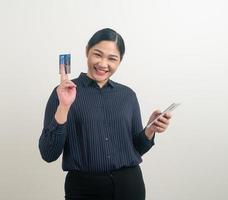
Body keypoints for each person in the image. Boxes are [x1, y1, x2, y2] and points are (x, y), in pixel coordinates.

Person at [39, 28, 172, 200]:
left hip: (130, 186)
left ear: (120, 61)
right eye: (97, 54)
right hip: (84, 189)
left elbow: (137, 148)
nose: (103, 64)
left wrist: (150, 130)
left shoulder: (127, 95)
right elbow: (48, 154)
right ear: (87, 51)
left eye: (112, 59)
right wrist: (64, 106)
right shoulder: (63, 93)